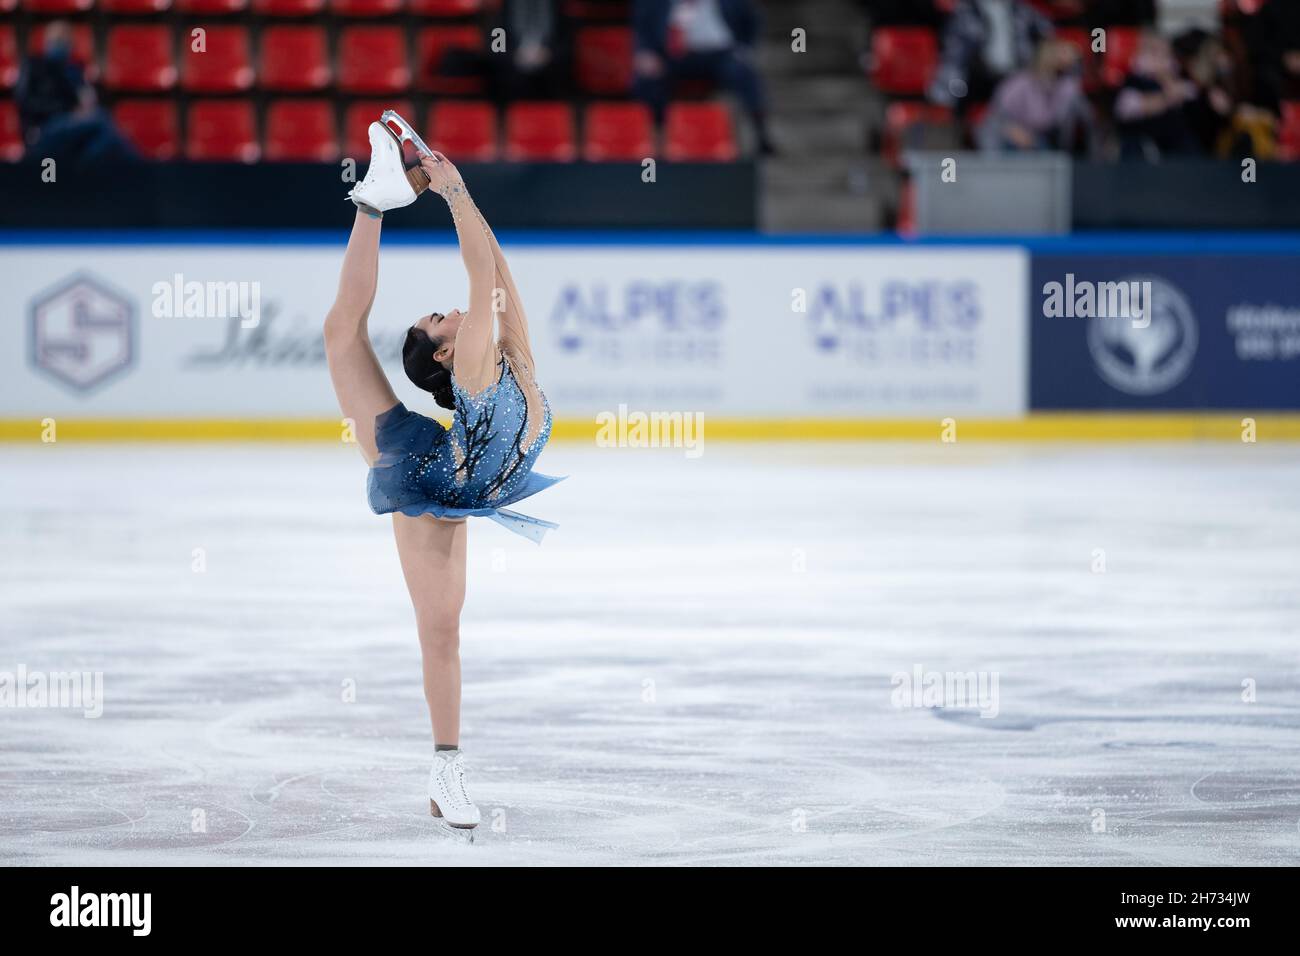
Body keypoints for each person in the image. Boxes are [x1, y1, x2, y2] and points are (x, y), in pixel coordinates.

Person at [323, 114, 563, 830]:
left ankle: (374, 196)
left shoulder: (508, 360)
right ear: (446, 356)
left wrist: (455, 191)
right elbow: (481, 271)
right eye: (438, 318)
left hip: (459, 467)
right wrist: (452, 191)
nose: (451, 310)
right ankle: (447, 769)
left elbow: (497, 270)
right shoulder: (484, 370)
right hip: (431, 482)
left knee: (445, 630)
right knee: (441, 631)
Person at [633, 0, 775, 154]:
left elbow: (752, 21)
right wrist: (646, 53)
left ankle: (761, 134)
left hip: (719, 54)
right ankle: (657, 134)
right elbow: (642, 28)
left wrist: (745, 49)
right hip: (673, 56)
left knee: (743, 72)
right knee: (646, 79)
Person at [16, 21, 137, 167]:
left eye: (64, 40)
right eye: (56, 40)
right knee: (101, 121)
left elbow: (95, 99)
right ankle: (141, 169)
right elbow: (26, 102)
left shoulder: (76, 70)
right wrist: (70, 109)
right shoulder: (33, 66)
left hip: (75, 128)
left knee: (101, 141)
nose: (60, 44)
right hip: (43, 128)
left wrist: (91, 90)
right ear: (46, 41)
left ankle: (81, 178)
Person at [929, 0, 1054, 109]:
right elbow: (953, 49)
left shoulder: (1022, 9)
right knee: (955, 84)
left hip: (1016, 74)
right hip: (976, 76)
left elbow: (1050, 33)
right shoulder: (966, 9)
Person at [979, 38, 1091, 153]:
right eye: (1055, 54)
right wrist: (1013, 131)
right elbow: (995, 119)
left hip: (1042, 141)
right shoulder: (1019, 83)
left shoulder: (1067, 86)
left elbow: (1085, 117)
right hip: (1008, 140)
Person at [1113, 31, 1199, 160]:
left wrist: (1165, 78)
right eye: (1153, 52)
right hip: (1138, 154)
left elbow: (1189, 94)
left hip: (1175, 154)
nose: (1159, 59)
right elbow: (1128, 109)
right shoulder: (1132, 82)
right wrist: (1167, 98)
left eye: (1164, 55)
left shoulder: (1183, 80)